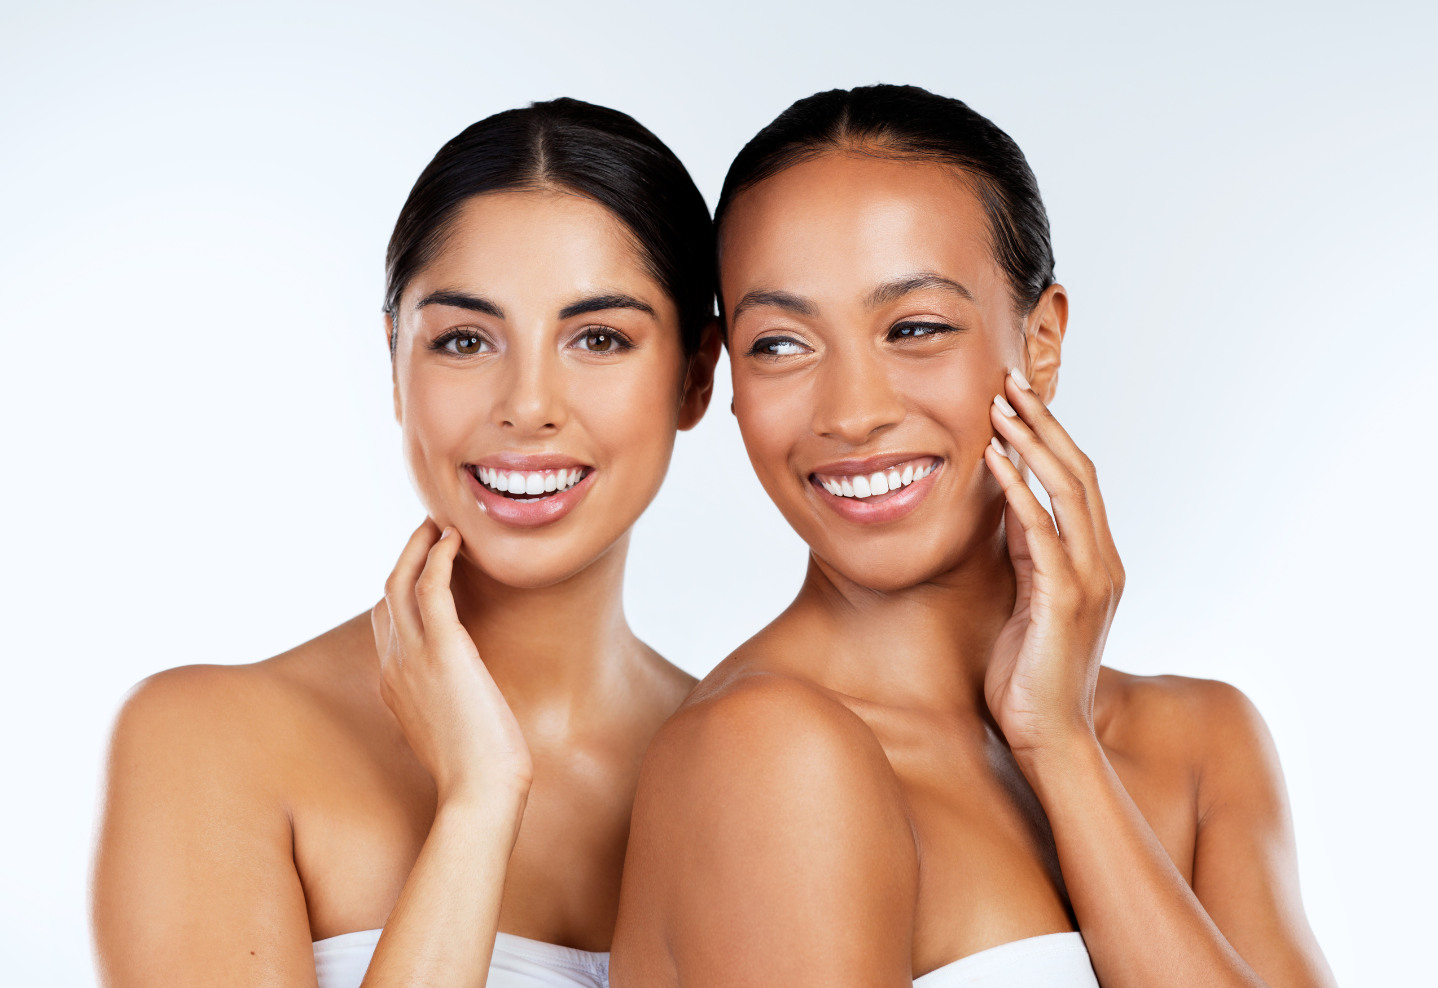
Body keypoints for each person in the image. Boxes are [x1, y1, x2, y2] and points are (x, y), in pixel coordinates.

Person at [609, 85, 1336, 988]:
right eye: (782, 344)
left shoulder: (1203, 743)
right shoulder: (763, 755)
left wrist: (1060, 748)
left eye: (914, 328)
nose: (852, 414)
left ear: (1040, 341)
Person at [92, 98, 720, 988]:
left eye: (599, 338)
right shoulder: (205, 739)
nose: (529, 403)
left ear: (696, 377)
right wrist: (477, 801)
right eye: (465, 339)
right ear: (396, 363)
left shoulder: (755, 762)